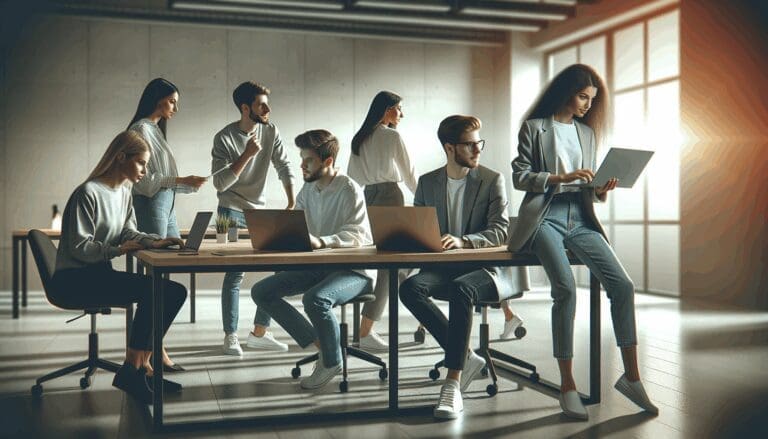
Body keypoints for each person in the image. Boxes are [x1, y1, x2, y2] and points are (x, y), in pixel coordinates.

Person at [508, 64, 658, 420]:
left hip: (581, 216)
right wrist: (561, 176)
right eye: (582, 96)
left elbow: (588, 186)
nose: (588, 105)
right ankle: (567, 386)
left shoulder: (586, 134)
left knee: (622, 285)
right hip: (545, 216)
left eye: (592, 99)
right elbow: (519, 175)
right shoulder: (534, 128)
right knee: (566, 289)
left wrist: (601, 188)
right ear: (565, 92)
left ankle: (632, 378)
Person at [398, 115, 529, 419]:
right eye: (470, 144)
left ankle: (452, 383)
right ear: (449, 147)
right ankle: (467, 356)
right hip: (445, 266)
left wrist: (464, 241)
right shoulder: (428, 183)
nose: (477, 149)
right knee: (410, 288)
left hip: (486, 268)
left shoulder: (491, 179)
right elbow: (421, 227)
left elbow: (500, 231)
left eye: (478, 143)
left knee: (462, 289)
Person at [51, 131, 187, 404]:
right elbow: (80, 247)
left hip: (99, 274)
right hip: (73, 279)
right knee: (159, 291)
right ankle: (134, 370)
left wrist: (155, 242)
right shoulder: (87, 192)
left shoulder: (124, 192)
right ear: (121, 157)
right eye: (141, 163)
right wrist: (116, 250)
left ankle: (140, 368)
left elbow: (128, 233)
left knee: (173, 291)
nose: (145, 171)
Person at [251, 129, 375, 390]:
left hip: (355, 272)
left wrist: (323, 241)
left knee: (315, 299)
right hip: (319, 267)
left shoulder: (349, 189)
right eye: (301, 159)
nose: (302, 166)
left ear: (327, 161)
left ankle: (331, 362)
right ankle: (322, 345)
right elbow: (296, 224)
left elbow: (359, 235)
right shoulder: (308, 189)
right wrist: (278, 237)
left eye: (307, 160)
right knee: (262, 291)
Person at [211, 81, 296, 356]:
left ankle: (260, 331)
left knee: (279, 270)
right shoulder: (223, 137)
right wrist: (247, 154)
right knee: (235, 274)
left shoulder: (271, 131)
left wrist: (291, 199)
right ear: (246, 108)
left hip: (260, 212)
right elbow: (220, 184)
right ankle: (230, 336)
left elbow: (283, 164)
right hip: (230, 211)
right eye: (261, 104)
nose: (268, 108)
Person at [127, 78, 206, 371]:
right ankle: (150, 353)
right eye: (172, 100)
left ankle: (153, 349)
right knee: (156, 284)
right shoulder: (140, 130)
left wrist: (186, 184)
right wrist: (180, 181)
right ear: (157, 98)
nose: (176, 107)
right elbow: (145, 184)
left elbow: (163, 184)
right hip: (152, 208)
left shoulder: (156, 130)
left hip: (166, 207)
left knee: (166, 281)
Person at [347, 91, 417, 352]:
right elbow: (409, 174)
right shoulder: (392, 136)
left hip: (367, 198)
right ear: (387, 110)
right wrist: (425, 203)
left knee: (389, 266)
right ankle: (366, 330)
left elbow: (352, 178)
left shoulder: (360, 138)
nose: (402, 114)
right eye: (399, 109)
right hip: (390, 196)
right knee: (392, 266)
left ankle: (420, 313)